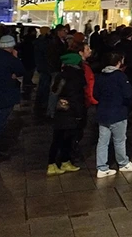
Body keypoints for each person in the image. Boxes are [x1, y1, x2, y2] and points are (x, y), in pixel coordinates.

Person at [94, 52, 132, 177]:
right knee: (119, 140)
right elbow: (128, 94)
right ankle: (123, 163)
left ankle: (102, 167)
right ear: (119, 62)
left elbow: (95, 94)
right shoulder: (120, 76)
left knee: (102, 141)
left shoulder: (100, 76)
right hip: (118, 112)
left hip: (103, 112)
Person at [47, 42, 87, 176]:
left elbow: (54, 91)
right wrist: (79, 113)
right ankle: (57, 162)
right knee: (67, 138)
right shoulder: (76, 76)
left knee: (58, 137)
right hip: (71, 111)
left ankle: (59, 161)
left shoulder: (61, 75)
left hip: (61, 109)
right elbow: (76, 95)